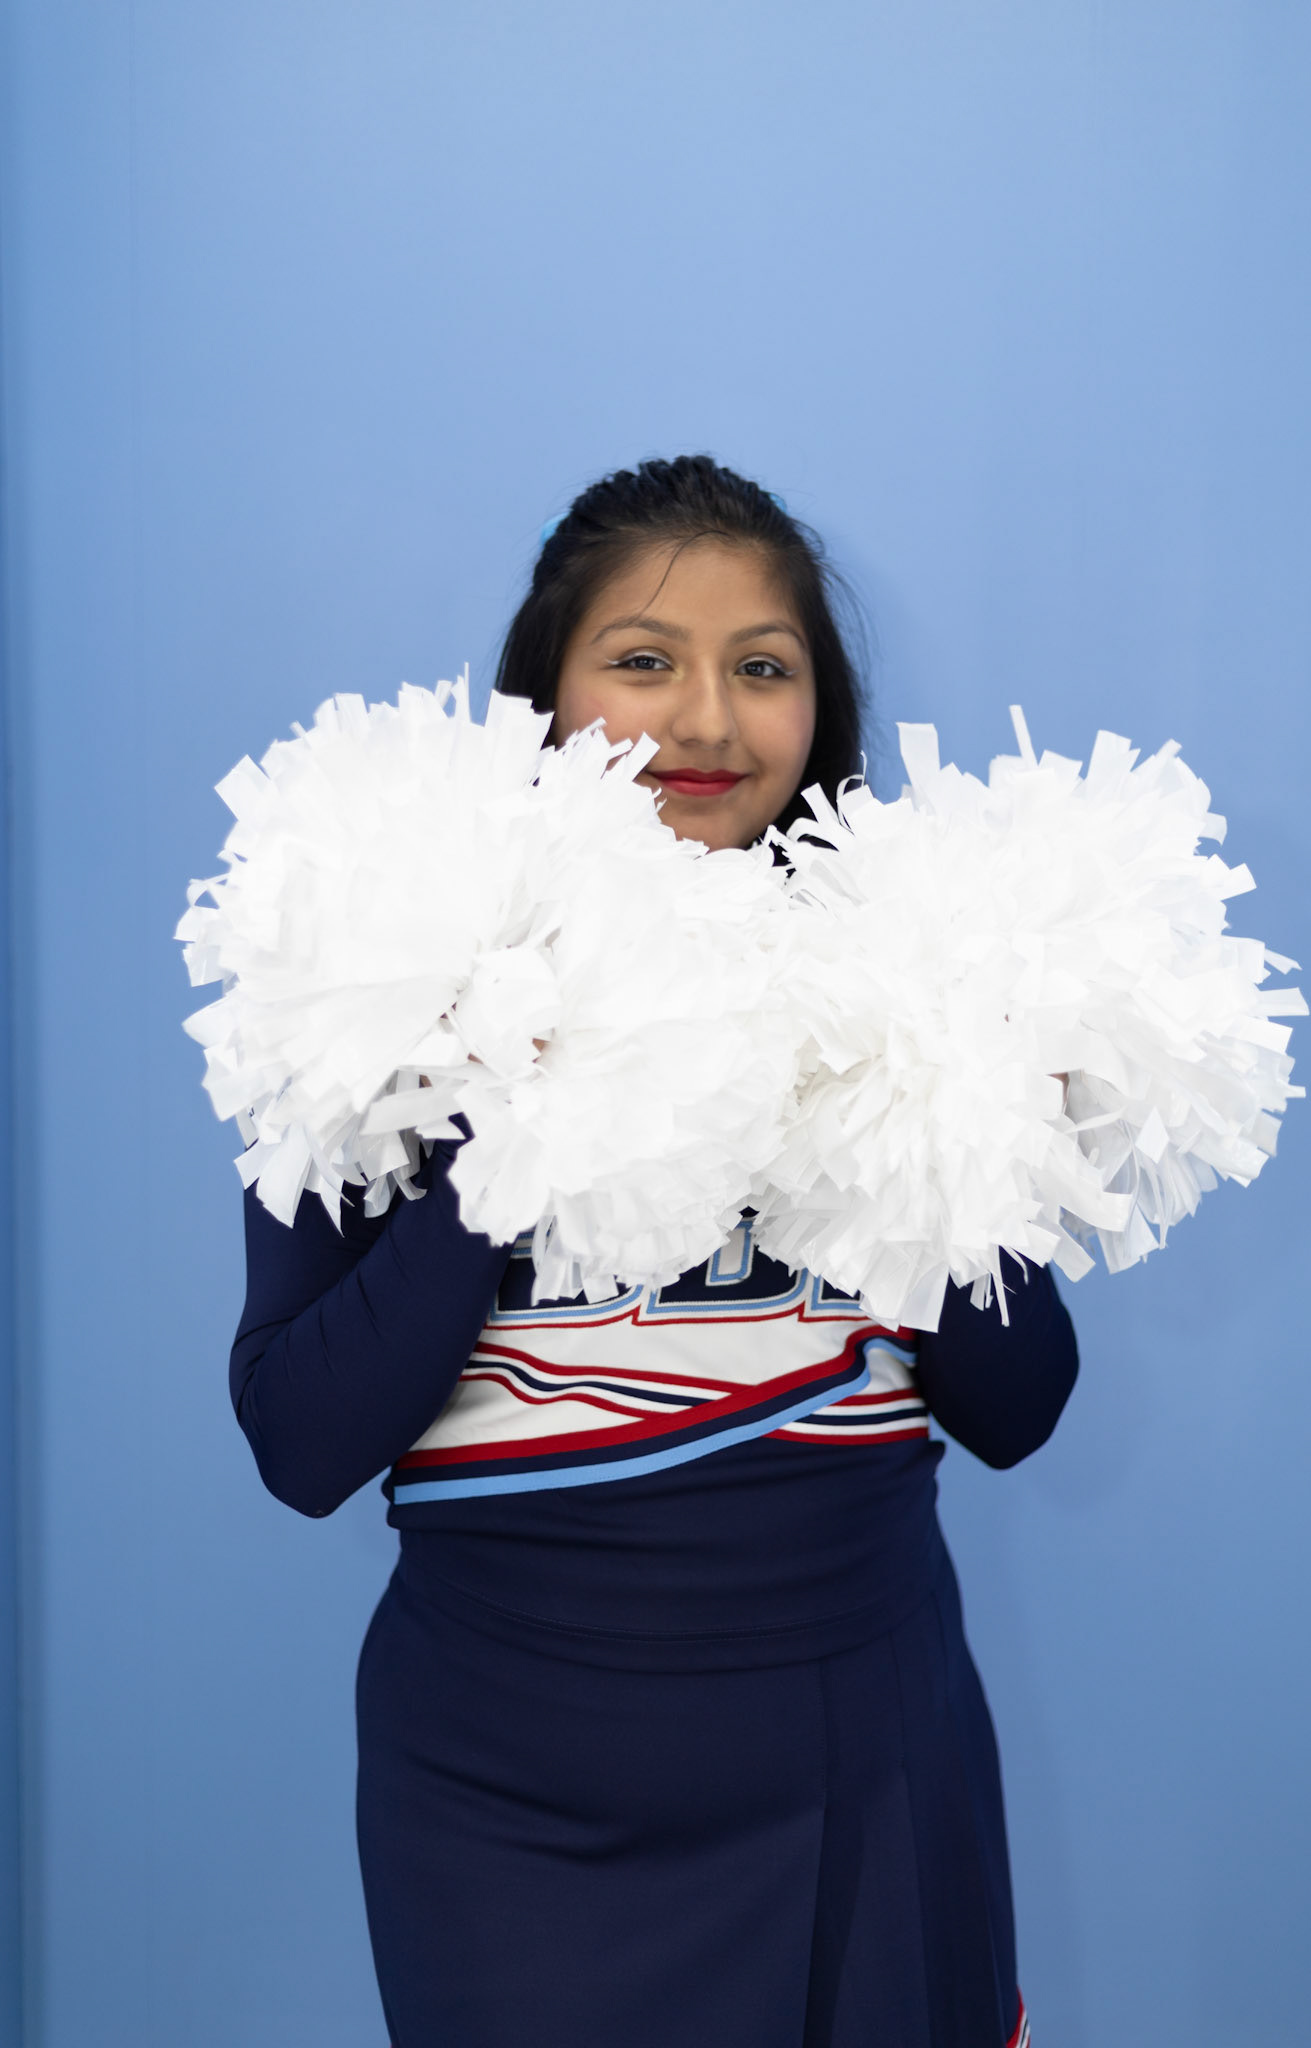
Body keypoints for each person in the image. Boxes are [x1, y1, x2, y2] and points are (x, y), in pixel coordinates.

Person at [230, 456, 1077, 2048]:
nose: (703, 721)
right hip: (507, 1800)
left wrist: (951, 1110)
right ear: (541, 702)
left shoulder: (905, 984)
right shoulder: (374, 983)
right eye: (642, 661)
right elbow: (299, 1440)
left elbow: (1020, 1406)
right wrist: (522, 1101)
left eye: (762, 668)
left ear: (817, 714)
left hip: (872, 1758)